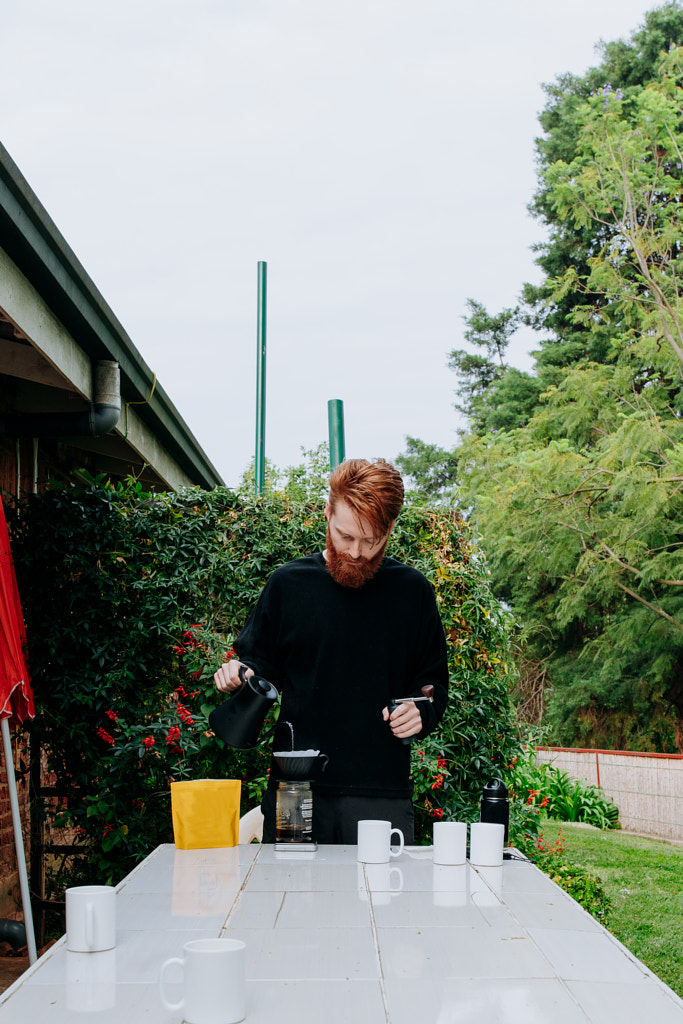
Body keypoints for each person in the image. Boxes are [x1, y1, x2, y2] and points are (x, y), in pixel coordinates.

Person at [214, 458, 449, 843]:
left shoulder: (413, 592)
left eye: (370, 540)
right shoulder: (288, 584)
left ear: (390, 528)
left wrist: (422, 710)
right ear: (327, 512)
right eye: (344, 536)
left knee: (379, 900)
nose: (355, 552)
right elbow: (258, 664)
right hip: (294, 786)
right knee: (287, 896)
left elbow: (432, 685)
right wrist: (239, 673)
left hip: (380, 793)